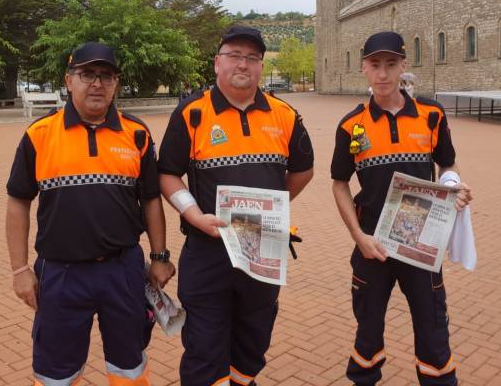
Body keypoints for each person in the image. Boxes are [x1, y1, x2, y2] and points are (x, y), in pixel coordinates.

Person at [5, 42, 175, 386]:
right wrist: (20, 269)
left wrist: (159, 256)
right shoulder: (39, 135)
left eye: (106, 76)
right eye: (87, 75)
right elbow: (18, 202)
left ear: (116, 84)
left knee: (129, 366)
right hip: (60, 274)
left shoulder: (137, 134)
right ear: (69, 81)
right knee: (56, 372)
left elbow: (152, 200)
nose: (97, 84)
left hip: (123, 271)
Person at [157, 26, 314, 386]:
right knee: (203, 347)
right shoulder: (191, 114)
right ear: (217, 63)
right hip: (208, 250)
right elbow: (167, 175)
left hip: (263, 249)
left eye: (252, 57)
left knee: (253, 341)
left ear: (260, 65)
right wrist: (193, 215)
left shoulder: (285, 114)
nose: (243, 64)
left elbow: (304, 171)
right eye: (234, 55)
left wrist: (271, 208)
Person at [330, 31, 473, 386]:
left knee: (433, 326)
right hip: (372, 245)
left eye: (390, 64)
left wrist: (454, 187)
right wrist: (358, 236)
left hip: (421, 243)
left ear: (403, 66)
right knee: (368, 328)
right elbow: (339, 183)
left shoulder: (431, 115)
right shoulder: (351, 125)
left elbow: (448, 166)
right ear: (364, 68)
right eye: (375, 65)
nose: (383, 73)